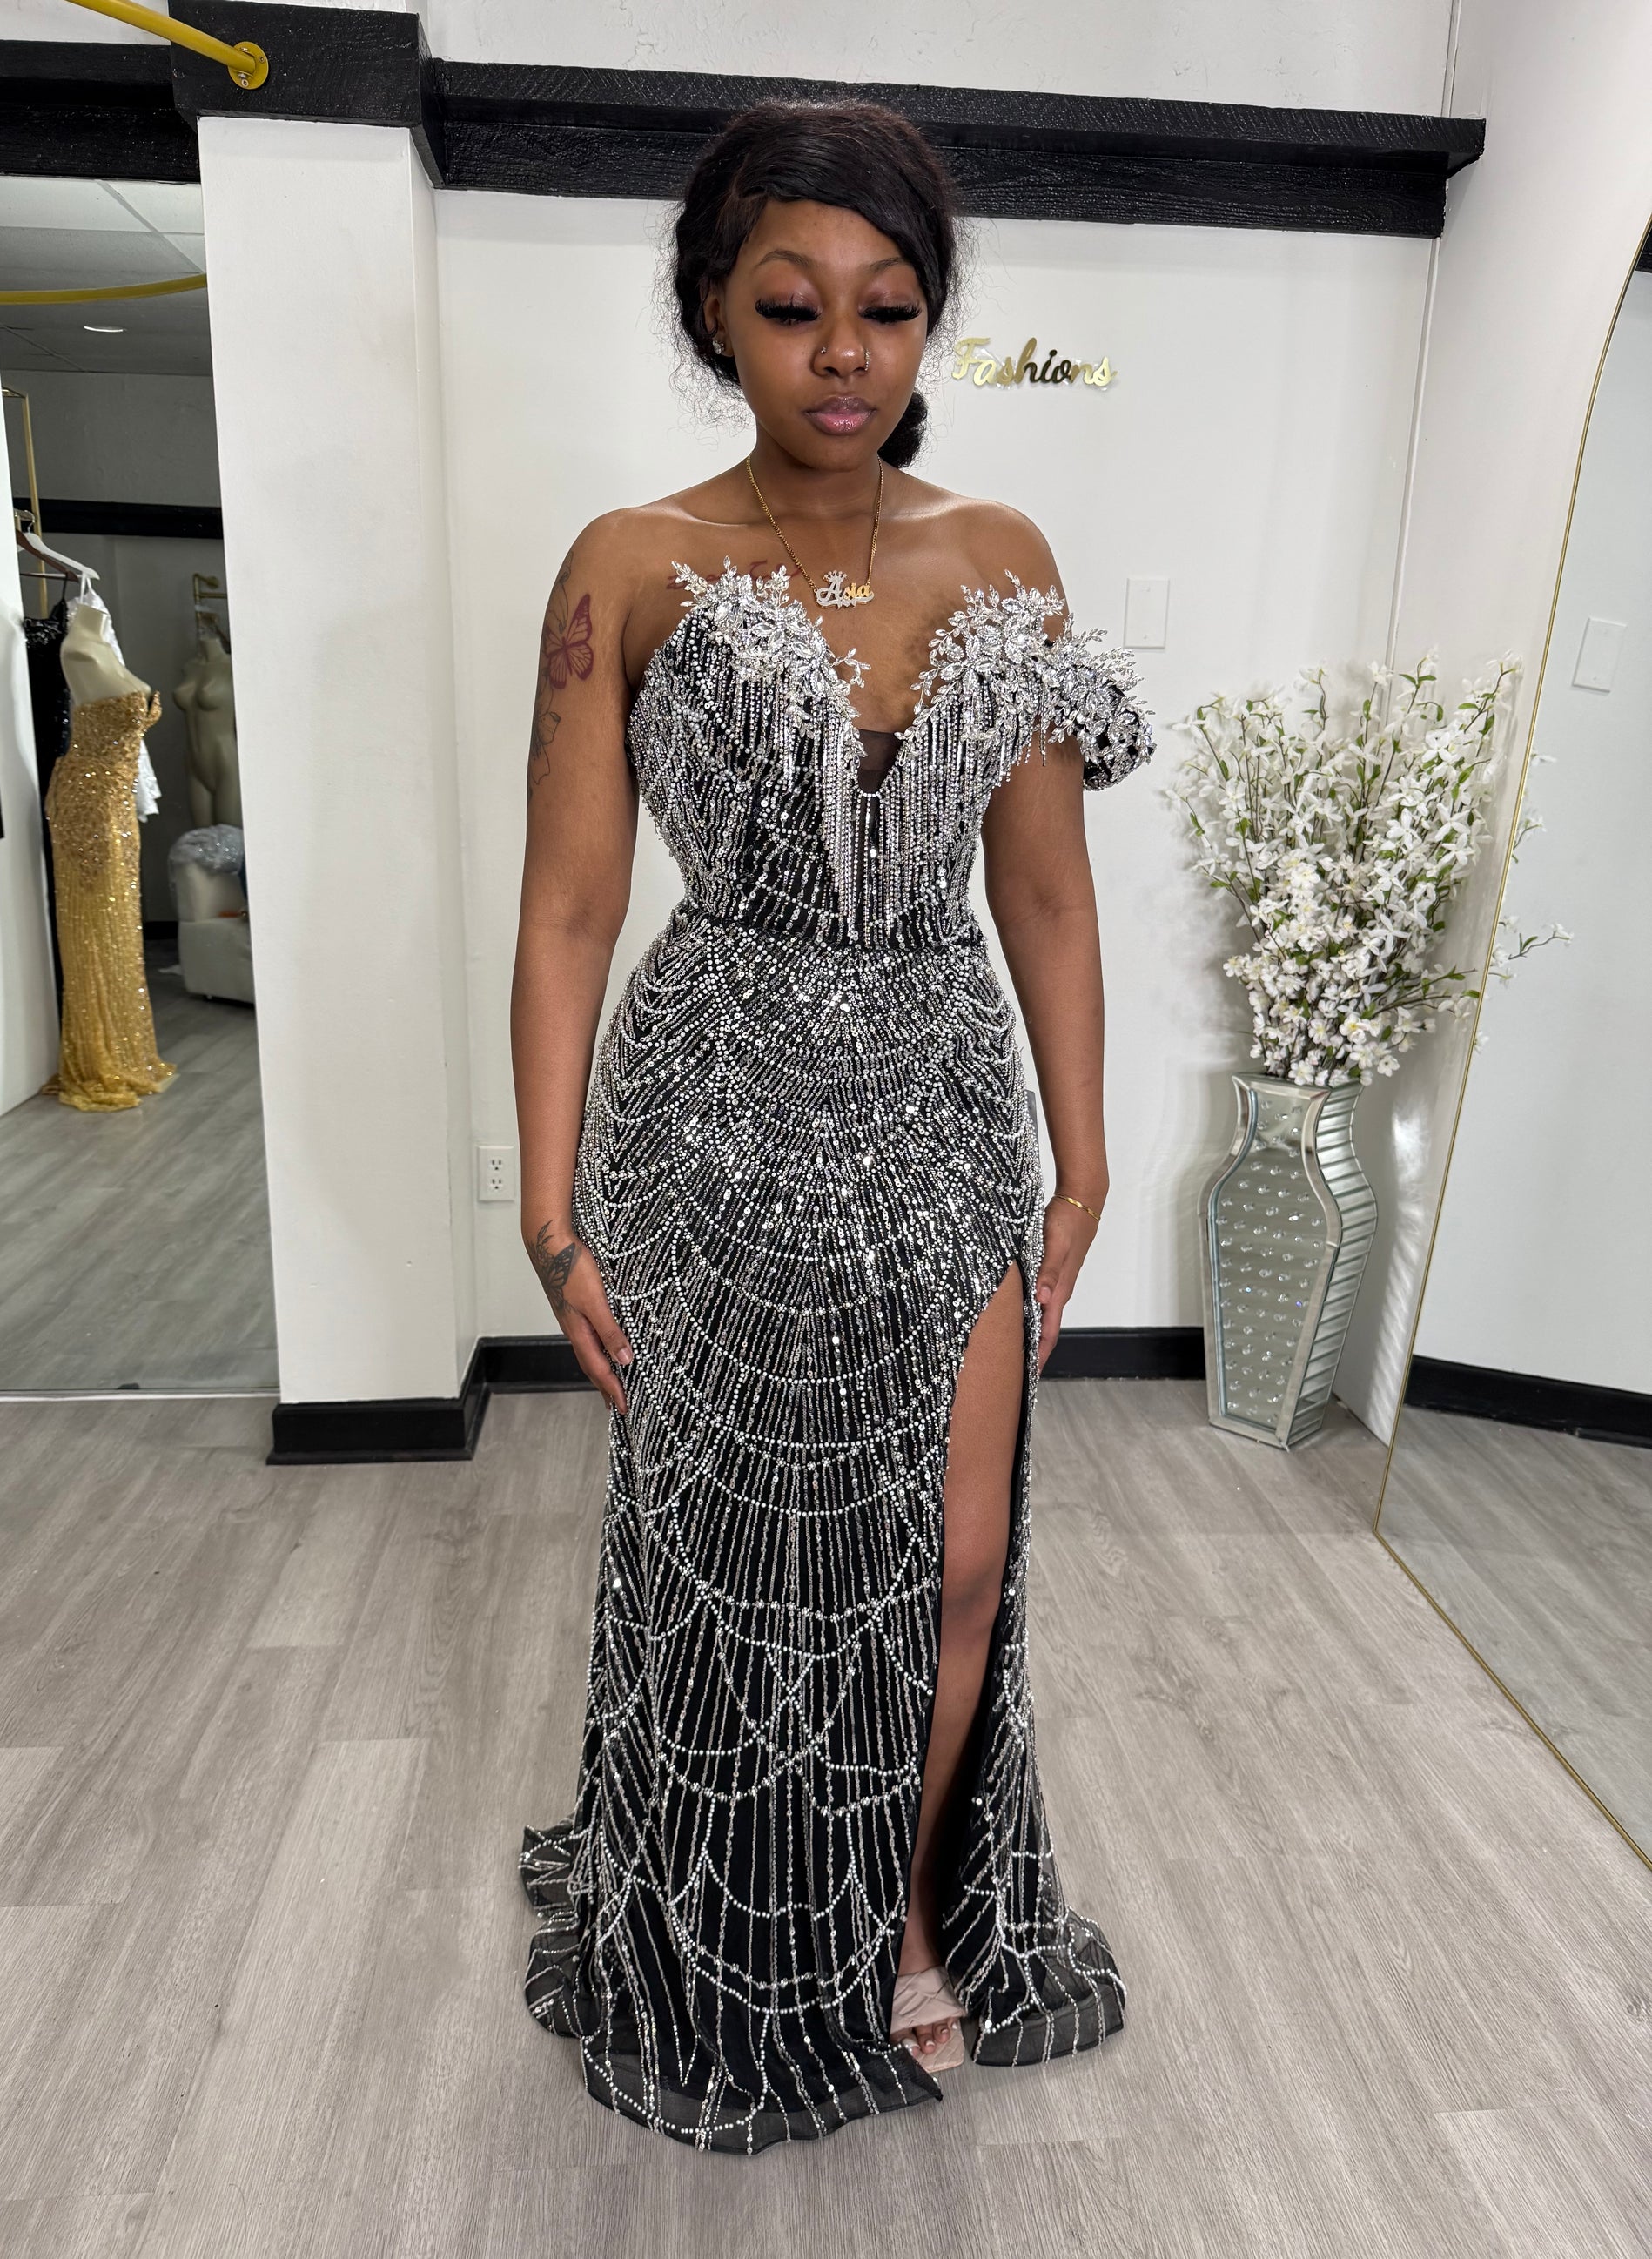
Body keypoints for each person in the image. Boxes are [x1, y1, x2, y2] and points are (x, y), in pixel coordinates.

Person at [510, 99, 1154, 2154]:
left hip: (944, 1097)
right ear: (716, 311)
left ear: (929, 321)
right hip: (710, 1105)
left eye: (888, 305)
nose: (844, 348)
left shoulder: (999, 556)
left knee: (953, 1558)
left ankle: (895, 1910)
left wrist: (1087, 1155)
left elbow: (1044, 888)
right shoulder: (630, 563)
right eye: (793, 306)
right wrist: (549, 1207)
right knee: (728, 1558)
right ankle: (721, 1923)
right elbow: (568, 907)